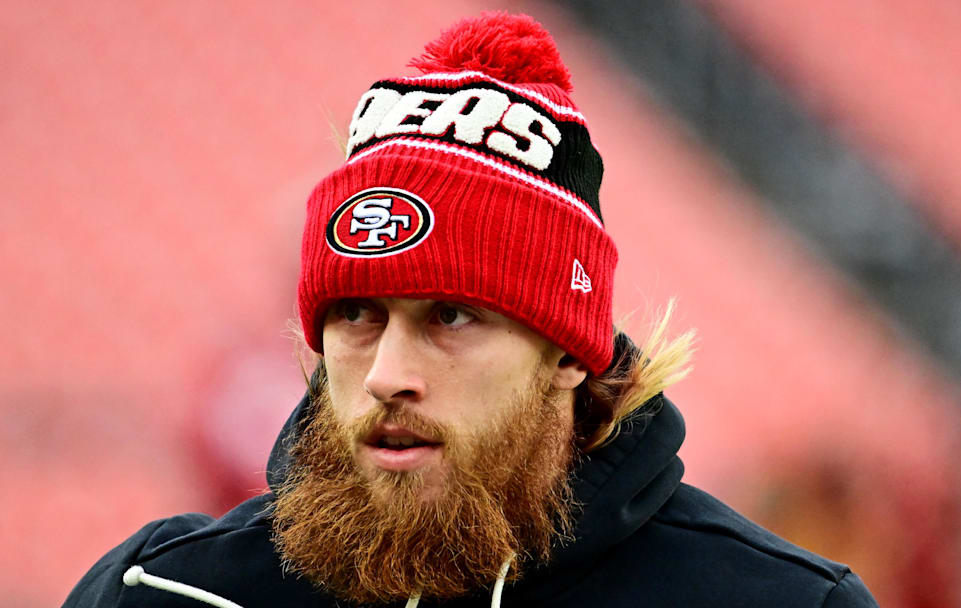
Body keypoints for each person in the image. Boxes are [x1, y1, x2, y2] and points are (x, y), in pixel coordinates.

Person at [64, 12, 878, 608]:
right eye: (356, 315)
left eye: (451, 316)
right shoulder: (163, 592)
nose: (387, 375)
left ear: (568, 352)